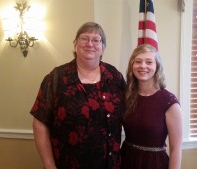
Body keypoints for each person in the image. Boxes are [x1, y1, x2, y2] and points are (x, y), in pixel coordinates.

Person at [30, 22, 126, 169]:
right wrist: (49, 165)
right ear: (75, 44)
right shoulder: (56, 78)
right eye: (84, 38)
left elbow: (131, 110)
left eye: (96, 40)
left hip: (110, 164)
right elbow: (40, 123)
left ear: (103, 48)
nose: (90, 44)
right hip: (67, 164)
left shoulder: (114, 76)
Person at [121, 44, 182, 169]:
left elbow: (176, 149)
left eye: (149, 62)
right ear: (132, 66)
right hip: (126, 160)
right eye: (138, 61)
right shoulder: (126, 96)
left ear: (157, 66)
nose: (143, 66)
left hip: (154, 163)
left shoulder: (169, 102)